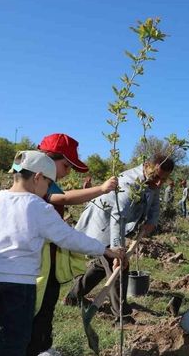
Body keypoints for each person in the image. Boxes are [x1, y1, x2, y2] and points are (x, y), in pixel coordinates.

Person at [0, 151, 124, 356]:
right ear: (37, 177)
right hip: (21, 284)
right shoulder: (38, 207)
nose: (47, 190)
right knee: (17, 338)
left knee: (8, 331)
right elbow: (69, 238)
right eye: (48, 183)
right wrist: (104, 250)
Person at [28, 133, 118, 356]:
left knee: (46, 304)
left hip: (48, 259)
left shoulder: (45, 182)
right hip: (36, 261)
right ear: (49, 159)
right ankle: (37, 348)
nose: (67, 172)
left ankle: (43, 346)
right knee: (38, 306)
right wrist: (101, 189)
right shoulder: (38, 184)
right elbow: (65, 198)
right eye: (66, 166)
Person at [65, 154, 175, 324]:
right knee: (119, 266)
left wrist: (151, 222)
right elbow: (117, 217)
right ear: (146, 166)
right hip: (103, 223)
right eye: (157, 177)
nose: (159, 183)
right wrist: (117, 250)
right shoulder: (129, 184)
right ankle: (122, 317)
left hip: (117, 224)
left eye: (164, 179)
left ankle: (73, 297)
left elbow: (154, 201)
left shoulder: (153, 180)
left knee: (103, 265)